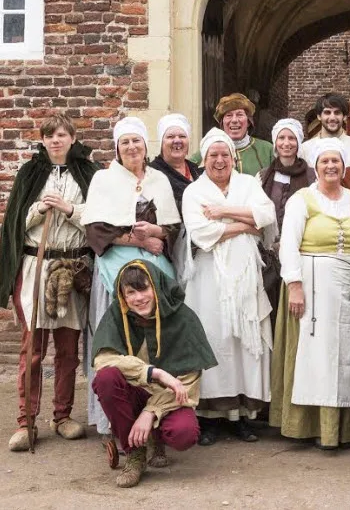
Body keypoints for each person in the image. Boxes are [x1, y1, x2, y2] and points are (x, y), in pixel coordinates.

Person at [1, 113, 100, 451]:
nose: (55, 140)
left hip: (71, 266)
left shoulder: (89, 173)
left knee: (68, 350)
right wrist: (40, 209)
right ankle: (25, 421)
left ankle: (62, 416)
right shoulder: (30, 173)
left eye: (61, 134)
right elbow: (17, 221)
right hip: (35, 265)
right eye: (49, 135)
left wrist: (69, 208)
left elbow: (98, 220)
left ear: (72, 137)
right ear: (43, 140)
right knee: (32, 348)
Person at [82, 116, 182, 442]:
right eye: (124, 142)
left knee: (156, 341)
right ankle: (114, 417)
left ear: (145, 145)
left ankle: (157, 411)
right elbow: (96, 229)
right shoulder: (103, 180)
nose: (131, 147)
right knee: (117, 340)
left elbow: (173, 229)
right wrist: (140, 240)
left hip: (155, 273)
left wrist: (156, 232)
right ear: (116, 147)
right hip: (115, 271)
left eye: (136, 141)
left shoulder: (159, 180)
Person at [270, 138, 350, 450]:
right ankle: (310, 426)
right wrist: (295, 286)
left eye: (336, 162)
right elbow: (288, 244)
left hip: (346, 284)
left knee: (347, 353)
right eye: (325, 161)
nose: (331, 166)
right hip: (311, 286)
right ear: (316, 167)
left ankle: (345, 429)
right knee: (316, 355)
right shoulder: (302, 199)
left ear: (344, 167)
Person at [181, 128, 277, 445]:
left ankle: (242, 417)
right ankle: (209, 417)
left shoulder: (248, 183)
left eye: (225, 154)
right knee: (215, 340)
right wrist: (246, 224)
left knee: (244, 342)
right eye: (213, 155)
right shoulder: (194, 192)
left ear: (233, 158)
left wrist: (223, 213)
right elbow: (201, 233)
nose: (219, 160)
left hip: (246, 273)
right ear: (204, 160)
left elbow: (267, 215)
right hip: (208, 278)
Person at [90, 260, 217, 488]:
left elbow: (188, 383)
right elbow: (103, 360)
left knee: (183, 434)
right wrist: (154, 372)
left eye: (144, 288)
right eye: (130, 292)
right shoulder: (118, 314)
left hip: (168, 400)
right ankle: (135, 453)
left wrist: (151, 412)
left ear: (156, 287)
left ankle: (156, 437)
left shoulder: (184, 318)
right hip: (133, 393)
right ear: (122, 295)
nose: (138, 298)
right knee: (106, 379)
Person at [257, 118, 315, 321]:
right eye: (281, 138)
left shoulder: (312, 176)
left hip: (302, 252)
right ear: (275, 142)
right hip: (269, 253)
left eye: (291, 138)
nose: (286, 143)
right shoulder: (263, 176)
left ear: (298, 143)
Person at [191, 93, 274, 176]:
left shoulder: (267, 150)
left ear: (249, 122)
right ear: (222, 123)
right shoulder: (208, 150)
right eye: (229, 115)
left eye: (239, 115)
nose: (234, 120)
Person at [149, 113, 202, 215]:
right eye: (170, 136)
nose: (177, 140)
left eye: (182, 136)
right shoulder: (151, 173)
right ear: (161, 143)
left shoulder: (196, 171)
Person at [301, 93, 350, 166]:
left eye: (337, 112)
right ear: (319, 116)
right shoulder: (305, 149)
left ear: (345, 117)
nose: (332, 118)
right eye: (327, 112)